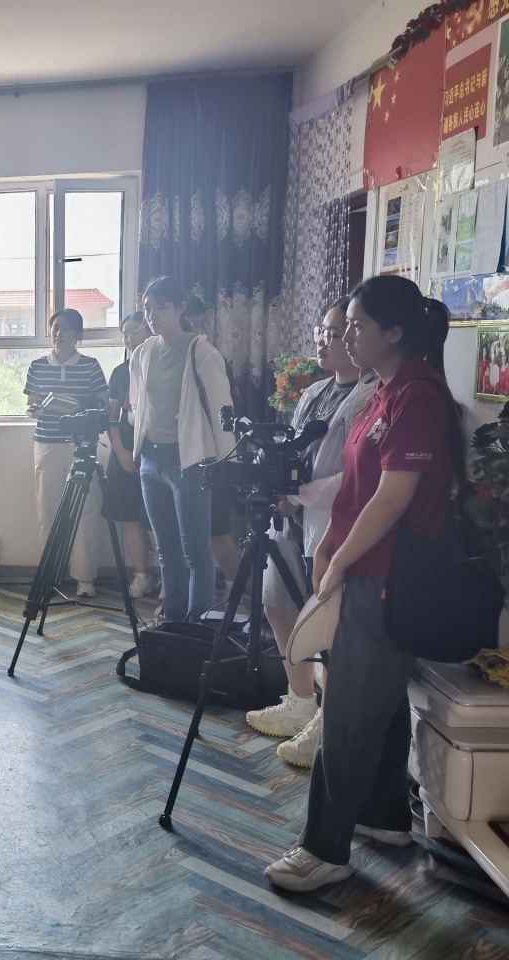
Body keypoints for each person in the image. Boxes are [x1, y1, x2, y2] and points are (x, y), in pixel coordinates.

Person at [266, 276, 458, 892]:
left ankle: (323, 849)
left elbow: (394, 498)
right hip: (363, 567)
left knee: (347, 711)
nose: (346, 335)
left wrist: (340, 560)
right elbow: (357, 488)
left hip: (387, 576)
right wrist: (328, 544)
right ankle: (384, 815)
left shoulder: (419, 397)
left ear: (394, 333)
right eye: (345, 325)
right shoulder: (381, 392)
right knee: (380, 699)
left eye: (357, 325)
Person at [245, 299, 375, 767]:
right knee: (277, 604)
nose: (324, 340)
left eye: (335, 332)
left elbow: (355, 475)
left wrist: (300, 495)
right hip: (290, 517)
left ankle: (326, 718)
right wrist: (283, 489)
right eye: (322, 331)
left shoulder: (371, 395)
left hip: (330, 521)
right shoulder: (314, 391)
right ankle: (299, 699)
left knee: (328, 622)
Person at [128, 276, 233, 623]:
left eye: (161, 307)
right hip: (150, 460)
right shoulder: (142, 352)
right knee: (166, 549)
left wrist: (226, 463)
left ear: (181, 309)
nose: (152, 315)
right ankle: (172, 620)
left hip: (188, 461)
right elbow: (138, 405)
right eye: (148, 308)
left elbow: (223, 413)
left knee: (196, 552)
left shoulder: (202, 353)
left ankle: (197, 625)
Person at [25, 308, 111, 597]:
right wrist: (35, 410)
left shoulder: (90, 365)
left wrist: (79, 406)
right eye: (55, 327)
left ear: (78, 334)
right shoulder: (38, 365)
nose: (59, 333)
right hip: (47, 444)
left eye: (66, 328)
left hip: (82, 445)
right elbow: (30, 405)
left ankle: (85, 578)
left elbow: (104, 405)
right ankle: (48, 576)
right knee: (47, 511)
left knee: (86, 512)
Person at [184, 295, 241, 594]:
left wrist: (226, 463)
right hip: (182, 460)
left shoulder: (210, 357)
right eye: (188, 324)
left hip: (213, 459)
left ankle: (234, 588)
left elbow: (226, 416)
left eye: (197, 324)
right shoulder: (166, 356)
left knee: (217, 531)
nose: (194, 330)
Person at [104, 312, 156, 599]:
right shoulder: (120, 372)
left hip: (155, 450)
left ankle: (169, 578)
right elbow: (112, 417)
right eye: (125, 333)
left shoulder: (161, 363)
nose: (129, 338)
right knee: (130, 516)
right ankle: (141, 575)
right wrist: (120, 450)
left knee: (157, 517)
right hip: (124, 449)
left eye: (134, 331)